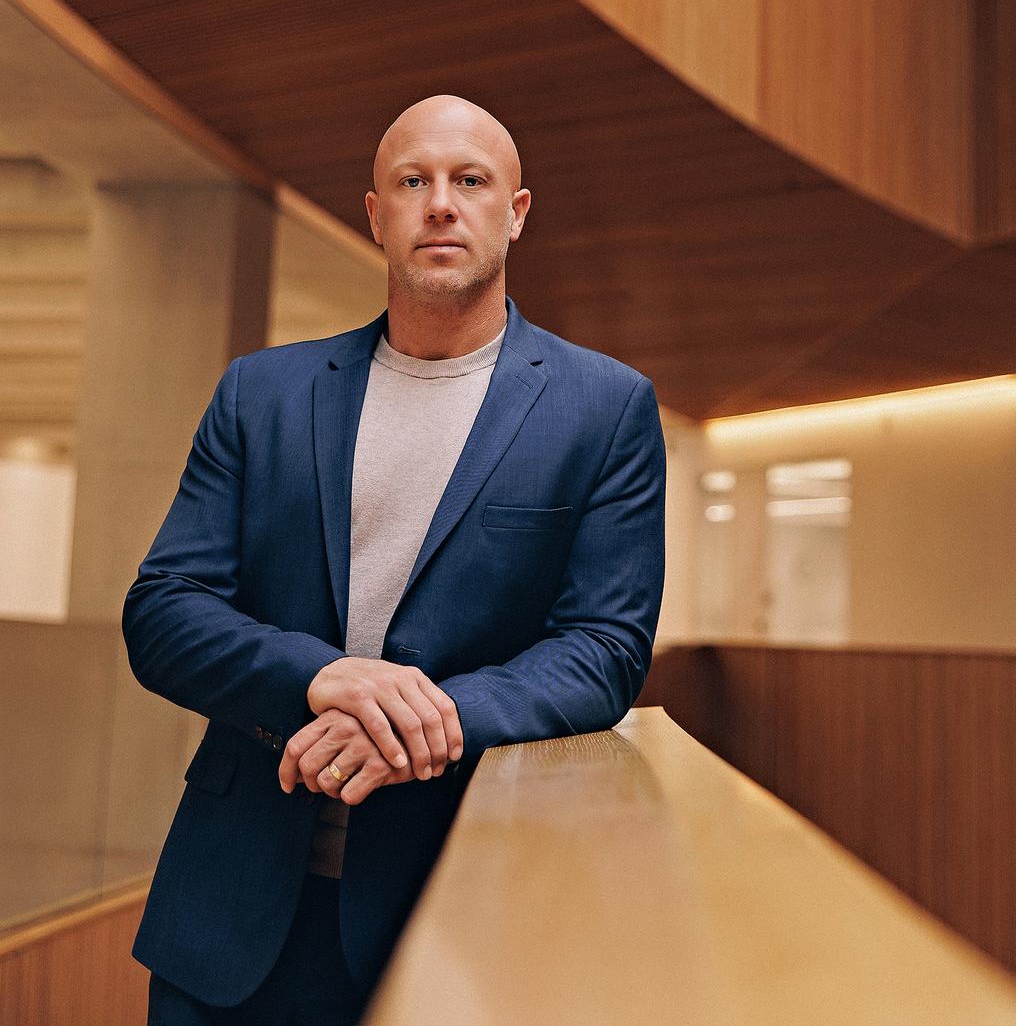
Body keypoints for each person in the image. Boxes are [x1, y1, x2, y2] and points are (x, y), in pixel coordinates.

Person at [123, 94, 668, 1023]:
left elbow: (604, 646)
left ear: (516, 211)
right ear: (375, 214)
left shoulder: (604, 407)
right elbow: (164, 609)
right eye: (412, 182)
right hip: (232, 911)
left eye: (469, 181)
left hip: (451, 910)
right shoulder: (263, 393)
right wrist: (326, 677)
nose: (441, 203)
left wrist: (437, 714)